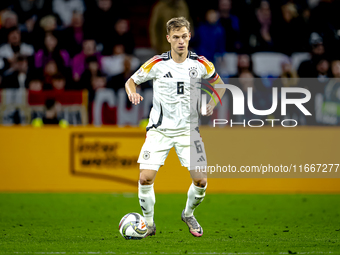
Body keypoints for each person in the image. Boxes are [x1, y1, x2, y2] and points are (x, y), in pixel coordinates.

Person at [125, 17, 225, 237]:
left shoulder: (200, 63)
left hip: (189, 132)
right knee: (145, 178)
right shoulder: (157, 63)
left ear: (190, 36)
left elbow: (220, 84)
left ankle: (188, 214)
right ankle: (149, 224)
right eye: (176, 37)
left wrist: (211, 104)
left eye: (184, 36)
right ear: (168, 38)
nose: (181, 41)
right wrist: (132, 92)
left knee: (201, 181)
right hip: (159, 131)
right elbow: (130, 81)